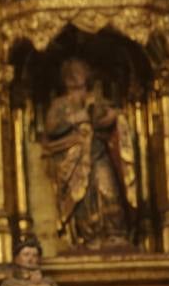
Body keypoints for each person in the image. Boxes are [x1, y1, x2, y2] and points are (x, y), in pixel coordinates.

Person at [42, 58, 136, 249]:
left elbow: (108, 117)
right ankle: (87, 236)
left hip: (98, 153)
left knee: (107, 186)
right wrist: (78, 118)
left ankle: (113, 233)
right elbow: (51, 127)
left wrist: (113, 116)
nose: (76, 76)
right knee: (82, 198)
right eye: (72, 73)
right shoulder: (61, 104)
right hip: (73, 158)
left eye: (80, 71)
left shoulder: (95, 98)